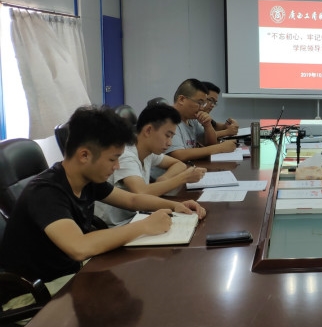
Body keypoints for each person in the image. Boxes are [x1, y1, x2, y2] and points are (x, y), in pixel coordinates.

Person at [0, 106, 207, 283]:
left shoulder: (87, 179)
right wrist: (144, 225)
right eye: (112, 159)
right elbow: (79, 247)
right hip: (36, 291)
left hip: (70, 272)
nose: (117, 166)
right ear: (84, 155)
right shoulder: (45, 192)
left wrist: (175, 206)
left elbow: (132, 199)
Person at [95, 104, 208, 227]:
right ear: (148, 130)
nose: (170, 143)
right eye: (167, 135)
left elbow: (179, 164)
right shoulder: (126, 155)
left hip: (136, 217)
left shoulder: (149, 152)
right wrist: (183, 178)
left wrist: (164, 179)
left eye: (171, 137)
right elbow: (141, 193)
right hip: (116, 226)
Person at [165, 78, 236, 162]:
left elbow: (210, 143)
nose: (202, 108)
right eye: (199, 103)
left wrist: (208, 125)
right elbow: (178, 155)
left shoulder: (192, 119)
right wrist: (219, 148)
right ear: (182, 99)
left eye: (203, 104)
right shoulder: (168, 118)